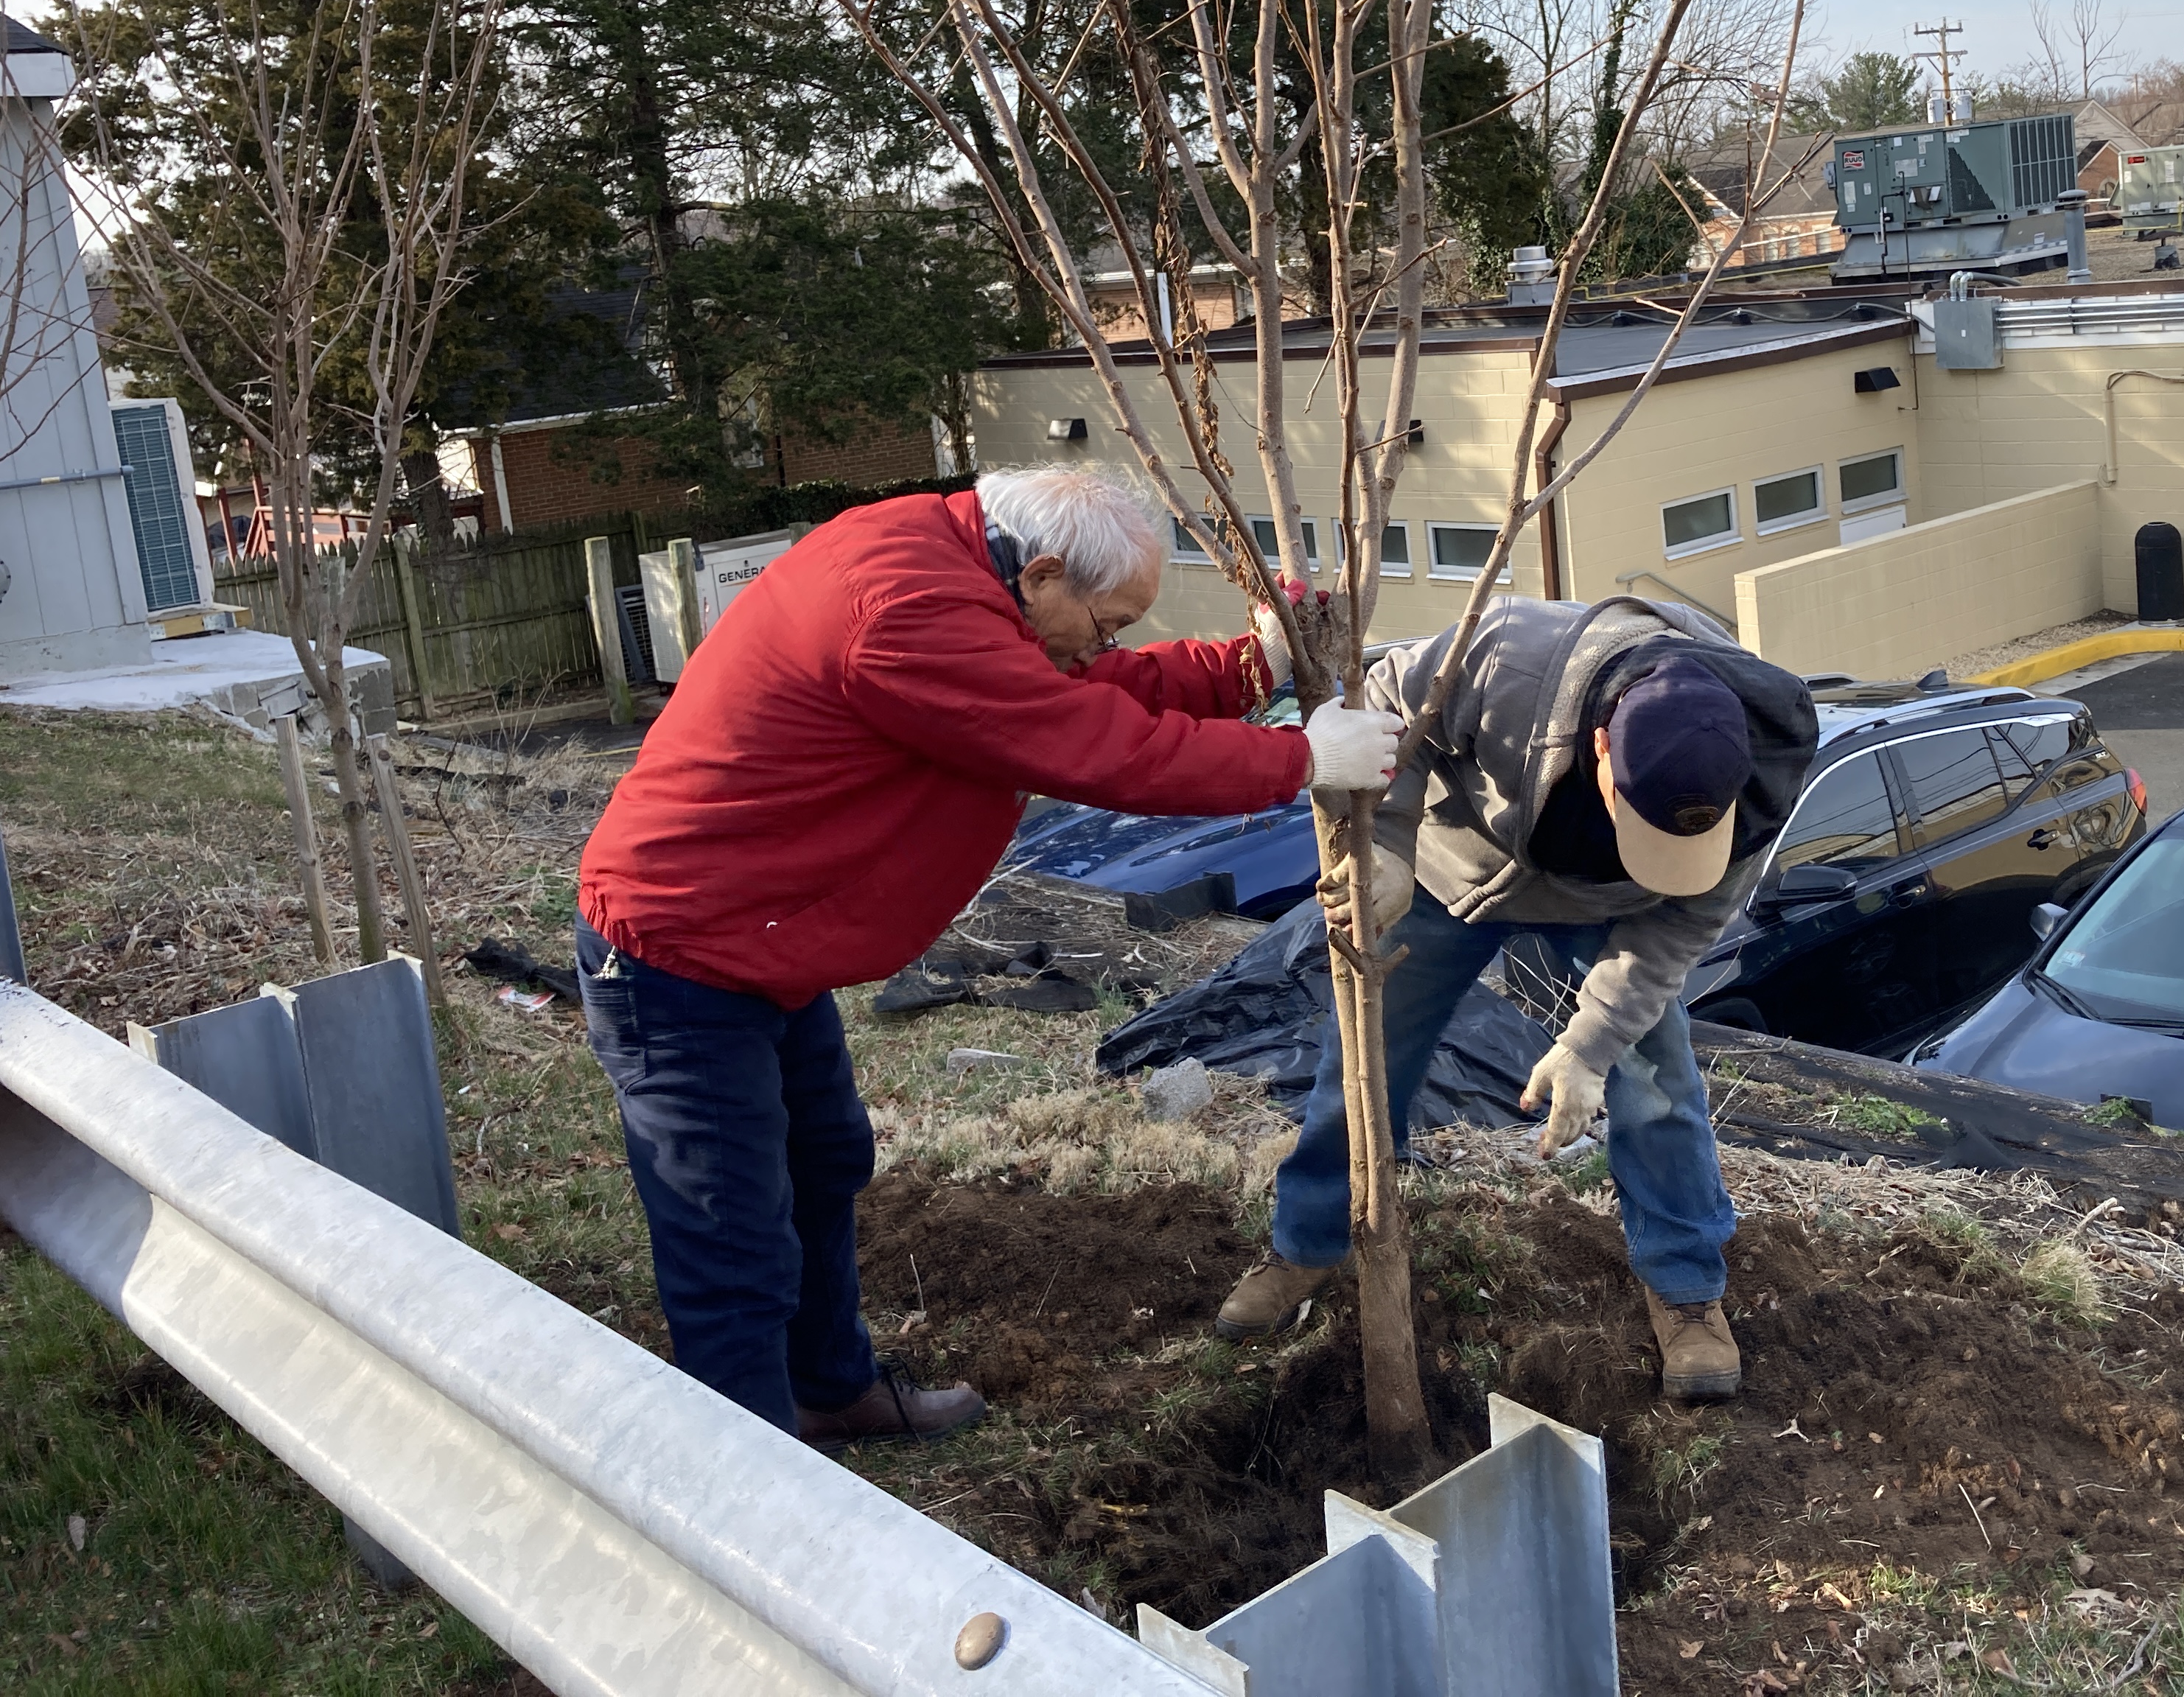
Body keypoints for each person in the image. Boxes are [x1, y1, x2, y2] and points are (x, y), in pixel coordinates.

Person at [574, 466, 1401, 1447]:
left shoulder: (959, 565)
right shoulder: (906, 611)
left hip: (760, 939)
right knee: (730, 1230)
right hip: (680, 951)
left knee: (825, 1157)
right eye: (1105, 622)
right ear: (1044, 575)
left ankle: (830, 1388)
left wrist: (1245, 670)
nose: (1105, 645)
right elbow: (1089, 742)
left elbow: (1073, 688)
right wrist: (1300, 761)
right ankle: (749, 1475)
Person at [1214, 595, 1816, 1400]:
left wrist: (1587, 1048)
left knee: (1657, 1081)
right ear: (1601, 747)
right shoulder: (1506, 659)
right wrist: (1387, 849)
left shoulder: (1760, 770)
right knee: (1363, 1058)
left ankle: (1685, 1288)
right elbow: (1383, 712)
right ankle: (1309, 1244)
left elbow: (1677, 933)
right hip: (1444, 875)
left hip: (1612, 911)